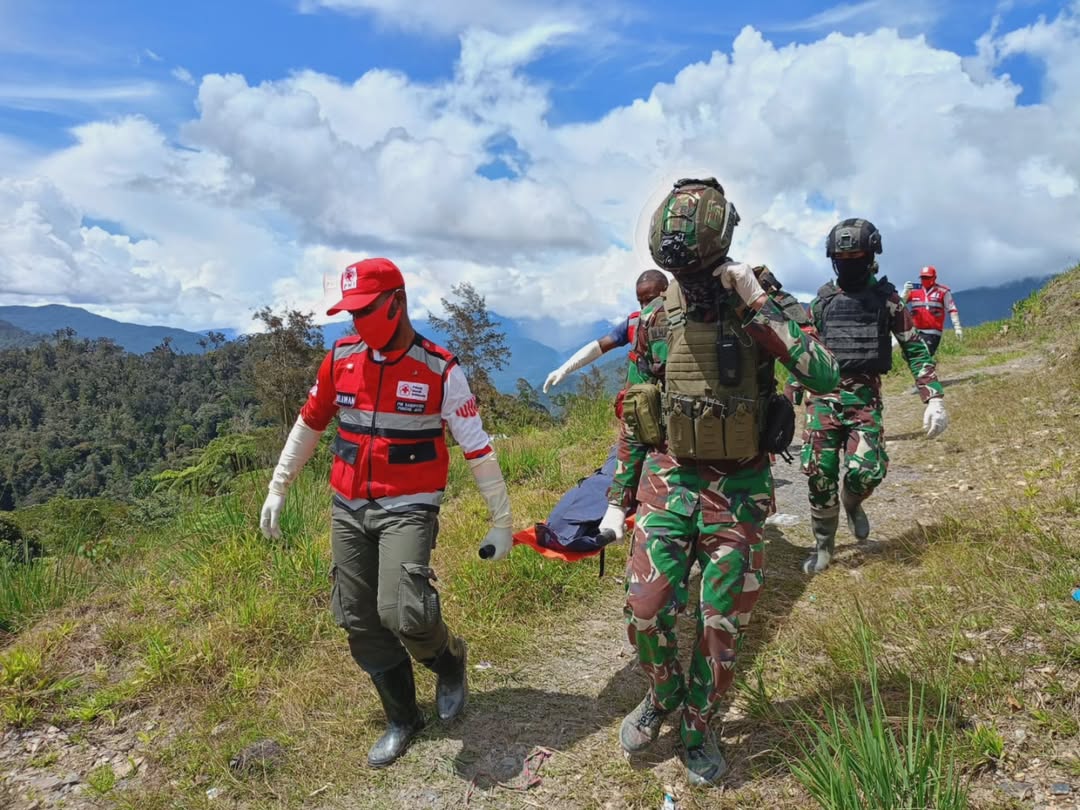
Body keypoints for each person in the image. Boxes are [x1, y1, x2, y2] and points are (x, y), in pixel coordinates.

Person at [599, 178, 840, 786]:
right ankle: (663, 693)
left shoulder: (762, 304)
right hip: (669, 479)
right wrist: (617, 498)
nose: (694, 283)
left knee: (720, 623)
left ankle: (700, 723)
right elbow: (636, 410)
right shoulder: (658, 318)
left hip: (738, 490)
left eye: (699, 271)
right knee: (646, 610)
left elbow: (824, 374)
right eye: (682, 273)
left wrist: (757, 303)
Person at [258, 258, 513, 768]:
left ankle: (449, 660)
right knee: (357, 618)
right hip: (348, 503)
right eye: (351, 314)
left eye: (366, 311)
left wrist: (501, 521)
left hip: (409, 504)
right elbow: (310, 423)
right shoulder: (341, 358)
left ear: (397, 302)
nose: (358, 322)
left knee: (403, 612)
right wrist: (278, 485)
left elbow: (478, 448)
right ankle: (403, 717)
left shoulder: (440, 369)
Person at [793, 220, 948, 576]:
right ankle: (824, 545)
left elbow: (915, 348)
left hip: (864, 401)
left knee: (866, 472)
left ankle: (852, 501)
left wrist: (933, 397)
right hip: (822, 400)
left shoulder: (887, 302)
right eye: (842, 258)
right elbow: (804, 350)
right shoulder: (822, 303)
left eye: (856, 257)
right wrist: (792, 391)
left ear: (871, 256)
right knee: (819, 474)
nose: (849, 263)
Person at [542, 270, 669, 393]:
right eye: (641, 302)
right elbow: (600, 346)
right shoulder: (635, 323)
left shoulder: (678, 322)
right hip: (643, 402)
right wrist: (564, 369)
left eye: (651, 300)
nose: (645, 307)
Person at [901, 265, 963, 356]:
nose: (924, 280)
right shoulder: (914, 291)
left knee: (923, 354)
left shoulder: (943, 291)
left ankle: (928, 364)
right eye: (923, 278)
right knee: (907, 354)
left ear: (934, 278)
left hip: (932, 333)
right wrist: (905, 292)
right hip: (915, 331)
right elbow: (900, 304)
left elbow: (952, 309)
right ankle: (929, 364)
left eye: (927, 277)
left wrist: (957, 328)